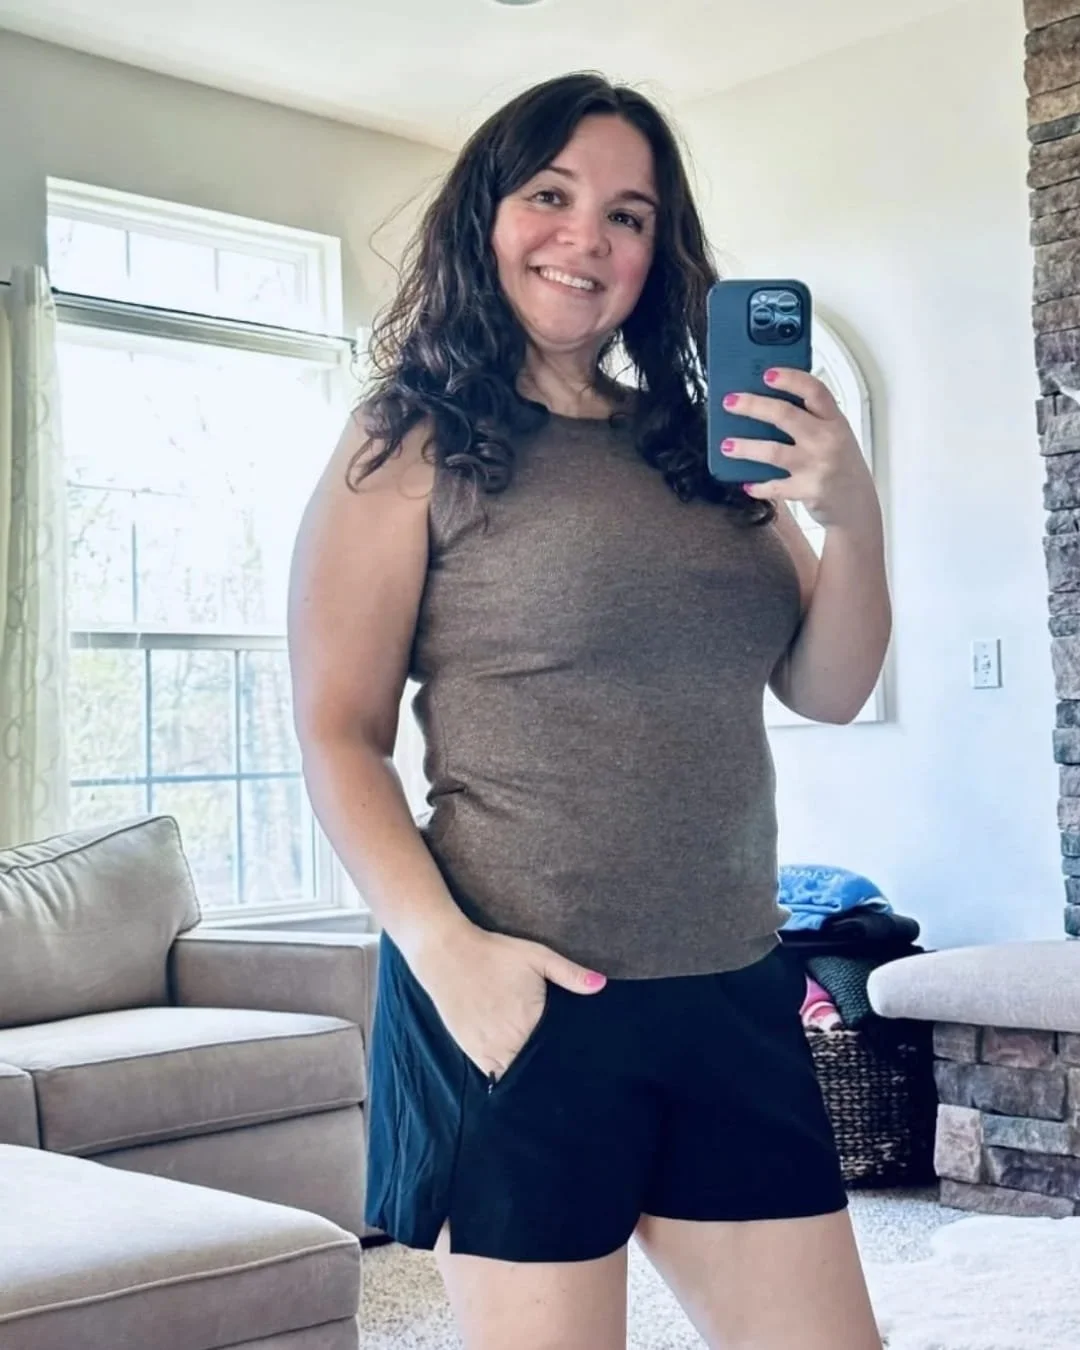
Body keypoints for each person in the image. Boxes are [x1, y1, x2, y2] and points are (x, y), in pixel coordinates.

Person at [288, 71, 890, 1350]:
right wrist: (454, 964)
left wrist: (854, 515)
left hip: (733, 988)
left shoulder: (703, 450)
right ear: (484, 219)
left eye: (628, 214)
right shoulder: (406, 447)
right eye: (550, 195)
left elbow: (828, 688)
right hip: (522, 994)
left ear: (655, 252)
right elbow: (339, 732)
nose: (587, 239)